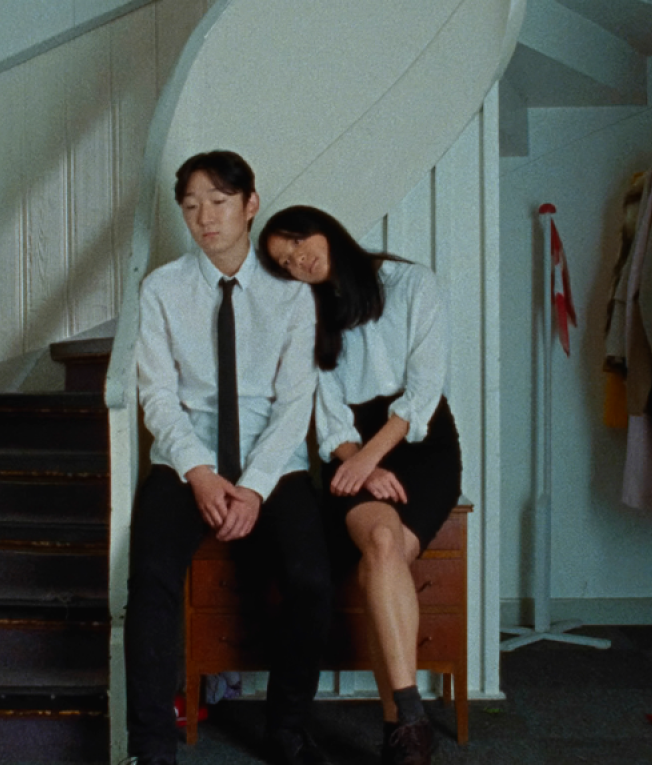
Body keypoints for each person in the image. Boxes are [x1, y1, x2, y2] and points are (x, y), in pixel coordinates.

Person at [125, 153, 333, 765]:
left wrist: (254, 487)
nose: (204, 218)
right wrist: (199, 472)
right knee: (151, 578)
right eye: (191, 206)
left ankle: (286, 728)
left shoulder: (292, 293)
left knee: (311, 579)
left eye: (218, 202)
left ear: (250, 205)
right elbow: (157, 396)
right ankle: (150, 744)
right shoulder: (161, 289)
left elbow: (295, 403)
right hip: (186, 459)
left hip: (273, 462)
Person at [259, 206, 462, 765]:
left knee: (383, 558)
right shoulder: (305, 312)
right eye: (284, 261)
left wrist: (375, 457)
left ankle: (401, 728)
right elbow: (328, 418)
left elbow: (425, 388)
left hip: (421, 442)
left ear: (324, 229)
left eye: (297, 242)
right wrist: (362, 464)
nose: (297, 261)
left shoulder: (413, 283)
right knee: (381, 541)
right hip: (350, 449)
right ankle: (410, 719)